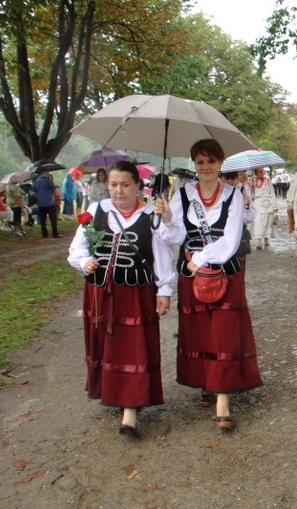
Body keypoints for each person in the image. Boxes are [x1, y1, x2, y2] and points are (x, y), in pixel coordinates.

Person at [156, 138, 262, 431]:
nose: (205, 167)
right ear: (194, 164)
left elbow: (230, 239)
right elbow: (174, 237)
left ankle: (223, 398)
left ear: (220, 163)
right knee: (201, 330)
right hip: (191, 274)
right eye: (200, 162)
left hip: (224, 271)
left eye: (210, 161)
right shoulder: (181, 195)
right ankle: (207, 380)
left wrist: (202, 257)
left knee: (224, 332)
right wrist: (166, 219)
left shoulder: (234, 195)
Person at [67, 161, 174, 437]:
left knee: (132, 347)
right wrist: (84, 261)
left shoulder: (152, 215)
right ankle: (114, 392)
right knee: (106, 345)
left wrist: (164, 290)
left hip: (135, 293)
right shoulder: (96, 211)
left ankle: (130, 410)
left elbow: (163, 256)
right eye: (113, 185)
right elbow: (77, 248)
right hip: (99, 292)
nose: (118, 191)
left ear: (137, 185)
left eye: (125, 184)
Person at [250, 167, 278, 250]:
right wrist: (251, 189)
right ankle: (259, 241)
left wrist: (275, 205)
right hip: (258, 203)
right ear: (255, 173)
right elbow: (251, 196)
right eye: (259, 171)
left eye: (262, 171)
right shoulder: (252, 182)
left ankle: (266, 238)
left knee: (267, 221)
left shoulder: (268, 181)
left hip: (267, 202)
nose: (262, 173)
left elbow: (272, 193)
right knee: (258, 221)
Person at [32, 170, 61, 238]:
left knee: (42, 219)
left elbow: (34, 192)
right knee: (53, 219)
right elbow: (55, 192)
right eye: (48, 172)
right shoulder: (48, 181)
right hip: (49, 202)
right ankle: (55, 234)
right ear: (46, 173)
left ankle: (44, 234)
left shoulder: (36, 181)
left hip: (41, 203)